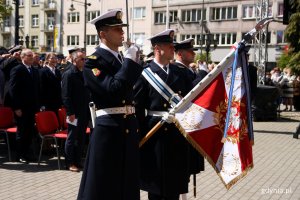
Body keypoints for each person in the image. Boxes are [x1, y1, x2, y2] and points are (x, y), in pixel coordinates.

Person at [77, 9, 143, 200]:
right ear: (103, 34)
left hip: (128, 127)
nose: (122, 32)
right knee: (104, 185)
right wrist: (130, 63)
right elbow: (113, 89)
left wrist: (130, 62)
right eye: (117, 29)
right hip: (109, 130)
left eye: (122, 28)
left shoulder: (122, 59)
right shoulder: (92, 62)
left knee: (127, 183)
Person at [134, 29, 192, 200]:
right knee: (157, 184)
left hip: (177, 132)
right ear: (158, 48)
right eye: (169, 46)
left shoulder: (180, 73)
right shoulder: (145, 73)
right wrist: (140, 132)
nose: (173, 49)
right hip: (155, 133)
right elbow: (137, 107)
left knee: (175, 182)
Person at [9, 49, 40, 163]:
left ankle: (27, 153)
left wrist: (39, 105)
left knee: (30, 131)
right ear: (23, 57)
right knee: (21, 132)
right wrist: (16, 107)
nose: (32, 57)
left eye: (32, 55)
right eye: (29, 55)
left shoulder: (34, 70)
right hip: (21, 108)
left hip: (32, 107)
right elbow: (13, 90)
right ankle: (19, 155)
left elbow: (37, 89)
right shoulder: (17, 69)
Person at [62, 49, 90, 172]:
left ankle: (78, 161)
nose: (84, 61)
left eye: (85, 59)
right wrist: (70, 112)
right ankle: (69, 162)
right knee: (72, 138)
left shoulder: (83, 73)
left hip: (84, 111)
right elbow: (66, 95)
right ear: (74, 60)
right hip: (74, 112)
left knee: (81, 137)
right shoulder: (69, 74)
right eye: (82, 59)